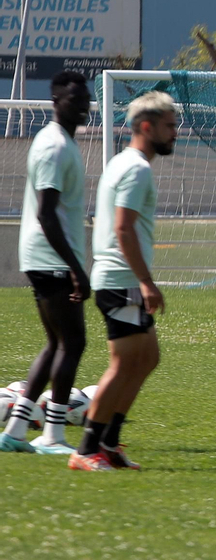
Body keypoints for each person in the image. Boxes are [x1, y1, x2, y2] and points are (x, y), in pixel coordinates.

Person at [69, 91, 179, 472]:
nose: (175, 132)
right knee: (123, 364)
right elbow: (123, 228)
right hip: (122, 279)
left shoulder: (125, 163)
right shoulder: (136, 169)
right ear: (146, 127)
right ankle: (86, 450)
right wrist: (146, 281)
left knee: (147, 358)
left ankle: (109, 442)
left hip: (121, 278)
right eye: (169, 125)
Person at [3, 71, 92, 455]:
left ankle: (16, 430)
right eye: (75, 98)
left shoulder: (61, 142)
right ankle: (53, 433)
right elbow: (47, 214)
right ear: (56, 101)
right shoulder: (54, 146)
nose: (84, 103)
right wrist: (74, 266)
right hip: (50, 257)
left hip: (45, 257)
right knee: (73, 342)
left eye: (85, 97)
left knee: (57, 342)